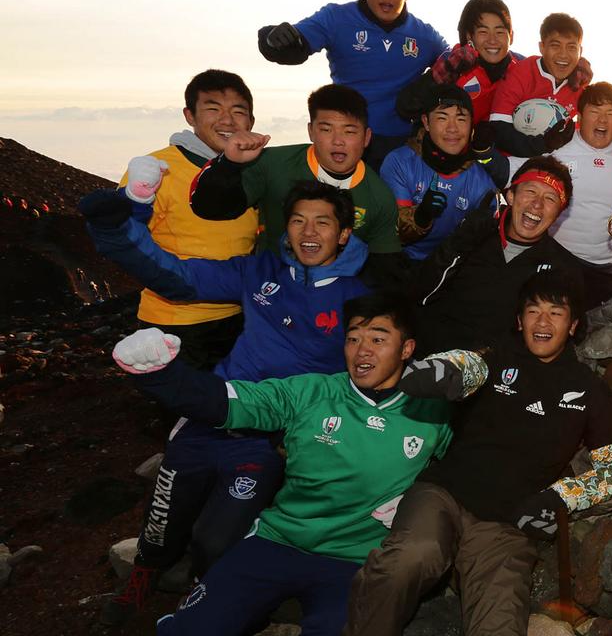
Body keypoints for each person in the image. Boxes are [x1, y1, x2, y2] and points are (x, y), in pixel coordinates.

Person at [80, 181, 372, 626]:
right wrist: (115, 230)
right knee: (166, 509)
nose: (308, 231)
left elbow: (363, 377)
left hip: (271, 434)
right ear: (286, 228)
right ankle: (143, 576)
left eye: (323, 222)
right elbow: (177, 275)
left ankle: (210, 599)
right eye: (298, 220)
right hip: (215, 407)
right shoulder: (260, 271)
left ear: (344, 233)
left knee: (216, 540)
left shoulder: (359, 300)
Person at [110, 293, 481, 636]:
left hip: (358, 561)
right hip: (279, 541)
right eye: (353, 339)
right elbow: (233, 401)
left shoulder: (433, 410)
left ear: (407, 349)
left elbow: (472, 463)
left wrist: (418, 499)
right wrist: (162, 375)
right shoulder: (311, 392)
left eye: (378, 339)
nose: (361, 350)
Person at [343, 271, 612, 635]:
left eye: (555, 313)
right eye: (533, 311)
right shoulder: (497, 356)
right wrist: (442, 370)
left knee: (499, 620)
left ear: (573, 325)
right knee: (410, 558)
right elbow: (468, 364)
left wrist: (560, 497)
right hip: (444, 495)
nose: (542, 322)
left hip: (507, 524)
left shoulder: (589, 391)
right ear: (519, 320)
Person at [257, 0, 447, 172]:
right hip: (346, 141)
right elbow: (295, 45)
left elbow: (459, 65)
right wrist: (271, 38)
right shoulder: (336, 18)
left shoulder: (425, 36)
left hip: (402, 147)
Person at [116, 69, 259, 372]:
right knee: (181, 413)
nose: (227, 121)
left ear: (251, 121)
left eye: (238, 111)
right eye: (212, 109)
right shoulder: (156, 170)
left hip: (243, 319)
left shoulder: (253, 173)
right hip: (176, 325)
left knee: (235, 411)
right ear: (189, 115)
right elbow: (124, 239)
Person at [188, 84, 402, 285]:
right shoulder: (271, 164)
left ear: (366, 137)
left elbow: (382, 270)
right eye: (326, 129)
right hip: (267, 292)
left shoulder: (380, 195)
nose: (338, 141)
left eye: (349, 131)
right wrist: (229, 164)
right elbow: (210, 209)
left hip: (333, 304)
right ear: (310, 131)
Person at [406, 156, 583, 356]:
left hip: (502, 375)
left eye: (550, 198)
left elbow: (563, 339)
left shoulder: (562, 268)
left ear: (559, 213)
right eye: (530, 191)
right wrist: (458, 243)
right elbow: (421, 293)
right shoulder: (475, 234)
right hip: (436, 356)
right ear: (511, 196)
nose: (537, 205)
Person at [548, 82, 612, 309]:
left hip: (607, 268)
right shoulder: (557, 151)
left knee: (601, 335)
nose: (602, 120)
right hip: (559, 260)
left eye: (610, 113)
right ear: (580, 116)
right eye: (595, 112)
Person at [380, 82, 502, 260]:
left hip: (451, 267)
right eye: (442, 118)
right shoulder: (400, 162)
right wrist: (421, 216)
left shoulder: (481, 182)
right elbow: (388, 232)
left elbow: (488, 244)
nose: (452, 128)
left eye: (461, 119)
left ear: (471, 127)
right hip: (399, 260)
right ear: (426, 122)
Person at [398, 0, 520, 124]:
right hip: (449, 140)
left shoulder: (521, 68)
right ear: (469, 36)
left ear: (511, 36)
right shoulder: (455, 62)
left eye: (499, 32)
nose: (492, 40)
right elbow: (406, 107)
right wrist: (441, 75)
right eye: (483, 32)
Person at [487, 13, 592, 160]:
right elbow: (498, 128)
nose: (563, 55)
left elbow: (602, 115)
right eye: (555, 46)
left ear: (580, 51)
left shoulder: (580, 83)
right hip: (511, 163)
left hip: (554, 166)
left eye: (571, 47)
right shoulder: (521, 73)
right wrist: (542, 146)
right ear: (541, 47)